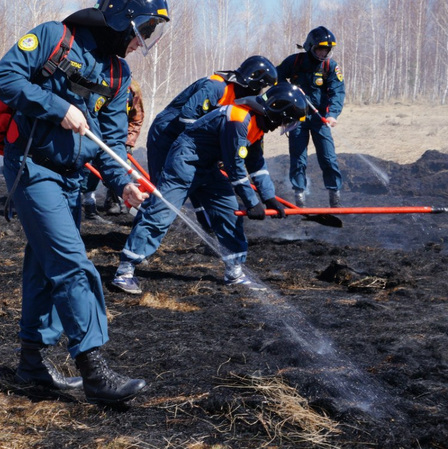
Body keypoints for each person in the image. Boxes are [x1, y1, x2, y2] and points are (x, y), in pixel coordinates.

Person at [0, 0, 170, 405]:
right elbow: (3, 78)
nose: (143, 40)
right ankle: (94, 369)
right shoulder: (55, 37)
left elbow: (109, 138)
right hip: (32, 169)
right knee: (73, 266)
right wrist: (58, 106)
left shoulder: (118, 72)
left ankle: (32, 365)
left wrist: (122, 182)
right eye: (143, 28)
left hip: (72, 180)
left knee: (43, 268)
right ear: (122, 18)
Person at [112, 82, 308, 294]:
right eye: (286, 120)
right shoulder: (238, 119)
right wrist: (252, 202)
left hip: (208, 167)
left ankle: (234, 272)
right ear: (277, 110)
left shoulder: (256, 125)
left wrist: (269, 197)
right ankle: (125, 272)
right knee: (161, 214)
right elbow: (235, 167)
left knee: (228, 212)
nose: (282, 126)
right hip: (185, 163)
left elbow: (256, 163)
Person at [138, 56, 278, 237]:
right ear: (253, 82)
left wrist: (268, 195)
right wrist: (210, 151)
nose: (260, 92)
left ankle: (211, 232)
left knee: (204, 183)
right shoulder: (216, 87)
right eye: (261, 86)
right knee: (161, 192)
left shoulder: (242, 104)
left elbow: (251, 154)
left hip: (191, 142)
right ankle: (140, 235)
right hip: (167, 134)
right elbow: (187, 118)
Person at [276, 26, 345, 208]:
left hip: (320, 119)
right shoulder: (295, 61)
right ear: (310, 47)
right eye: (320, 49)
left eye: (327, 50)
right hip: (297, 118)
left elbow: (337, 92)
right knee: (298, 158)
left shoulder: (330, 66)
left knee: (328, 157)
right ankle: (300, 197)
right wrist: (289, 89)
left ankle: (334, 195)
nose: (323, 53)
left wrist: (332, 115)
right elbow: (276, 77)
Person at [81, 78, 145, 220]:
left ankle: (115, 201)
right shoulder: (97, 83)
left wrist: (128, 143)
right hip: (93, 132)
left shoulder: (133, 91)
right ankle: (89, 203)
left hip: (119, 138)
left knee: (121, 167)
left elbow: (136, 118)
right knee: (90, 169)